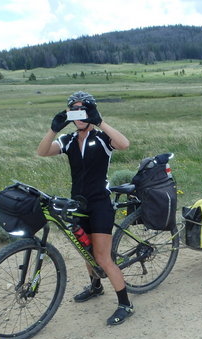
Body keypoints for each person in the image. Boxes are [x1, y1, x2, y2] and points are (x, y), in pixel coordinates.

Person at [37, 91, 135, 324]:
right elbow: (42, 152)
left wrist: (99, 121)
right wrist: (54, 129)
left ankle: (125, 304)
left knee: (102, 257)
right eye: (74, 111)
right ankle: (95, 287)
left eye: (83, 110)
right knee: (85, 249)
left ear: (91, 111)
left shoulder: (101, 138)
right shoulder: (68, 140)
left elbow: (124, 144)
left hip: (100, 203)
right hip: (78, 203)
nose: (79, 116)